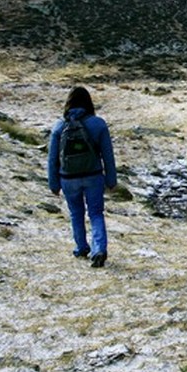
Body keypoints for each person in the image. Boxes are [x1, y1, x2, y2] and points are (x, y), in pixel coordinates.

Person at [47, 86, 117, 268]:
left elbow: (52, 159)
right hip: (93, 176)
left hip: (68, 178)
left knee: (76, 213)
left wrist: (54, 184)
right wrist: (111, 180)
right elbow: (108, 156)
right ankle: (99, 249)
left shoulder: (59, 127)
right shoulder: (98, 124)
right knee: (95, 213)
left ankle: (81, 247)